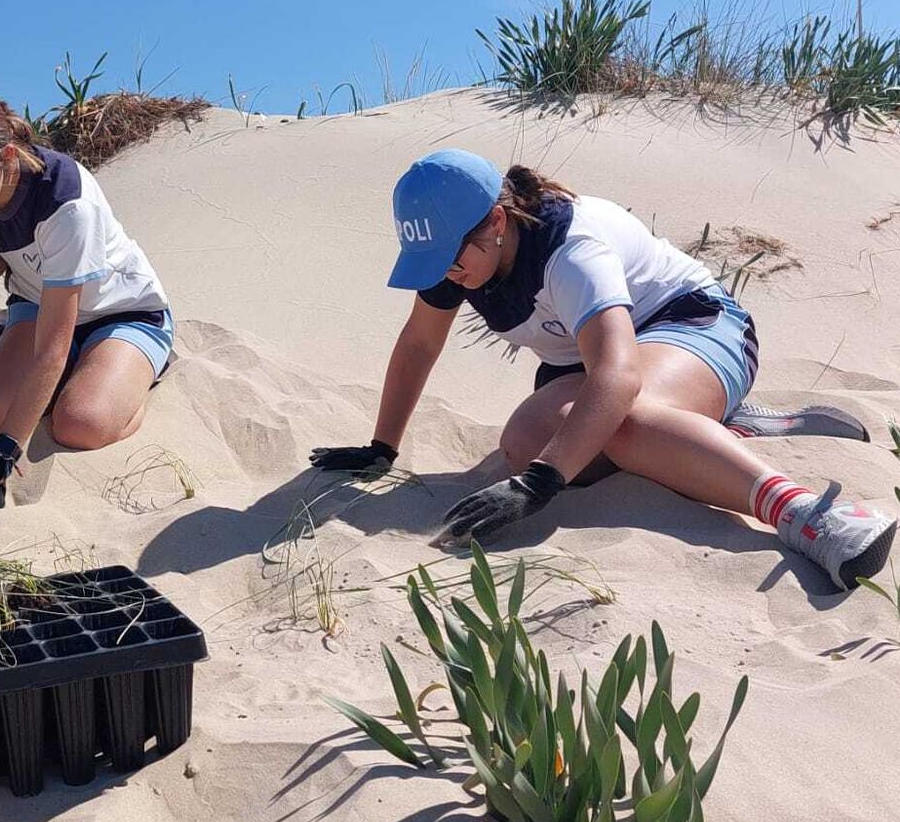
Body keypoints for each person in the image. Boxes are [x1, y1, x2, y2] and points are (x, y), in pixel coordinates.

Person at [310, 148, 892, 591]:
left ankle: (809, 513)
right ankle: (720, 428)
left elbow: (616, 376)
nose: (447, 272)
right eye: (432, 258)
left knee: (621, 420)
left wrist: (542, 484)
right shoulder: (458, 257)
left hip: (698, 330)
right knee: (527, 442)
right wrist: (381, 447)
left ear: (494, 220)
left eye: (451, 255)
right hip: (602, 359)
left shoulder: (572, 249)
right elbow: (418, 342)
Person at [0, 84, 173, 512]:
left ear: (7, 157)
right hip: (37, 303)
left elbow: (50, 349)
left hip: (119, 310)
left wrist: (0, 460)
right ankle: (83, 371)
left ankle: (141, 369)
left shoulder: (66, 204)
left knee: (81, 424)